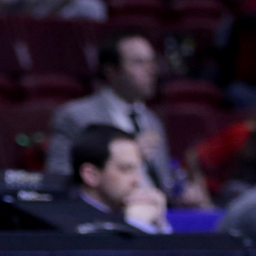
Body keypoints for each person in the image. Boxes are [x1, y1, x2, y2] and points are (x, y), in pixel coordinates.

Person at [45, 34, 181, 201]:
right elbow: (60, 178)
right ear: (111, 71)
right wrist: (127, 155)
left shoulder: (152, 120)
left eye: (152, 61)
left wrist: (183, 194)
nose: (151, 70)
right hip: (107, 212)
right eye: (139, 62)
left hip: (157, 209)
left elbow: (165, 182)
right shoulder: (75, 116)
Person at [17, 125, 169, 233]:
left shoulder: (135, 210)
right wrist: (136, 225)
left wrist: (159, 223)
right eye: (125, 169)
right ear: (91, 175)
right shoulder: (62, 222)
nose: (137, 180)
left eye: (138, 169)